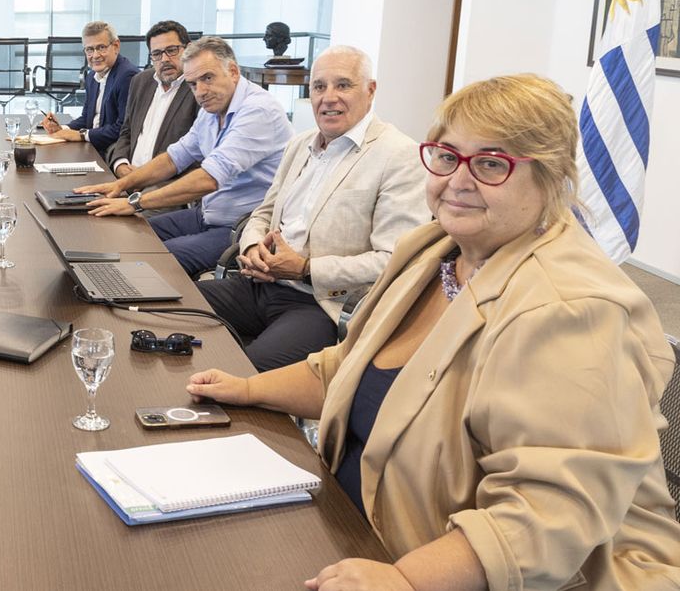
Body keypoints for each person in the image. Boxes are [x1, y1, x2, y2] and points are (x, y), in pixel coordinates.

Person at [187, 74, 680, 591]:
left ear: (551, 177)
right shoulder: (433, 251)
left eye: (491, 164)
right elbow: (348, 369)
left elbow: (545, 513)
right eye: (446, 156)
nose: (458, 180)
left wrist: (405, 580)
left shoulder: (571, 309)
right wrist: (244, 389)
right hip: (357, 531)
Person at [197, 45, 427, 372]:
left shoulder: (399, 156)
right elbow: (263, 213)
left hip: (320, 303)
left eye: (343, 85)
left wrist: (305, 268)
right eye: (319, 87)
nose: (328, 97)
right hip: (259, 285)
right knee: (172, 313)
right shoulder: (300, 144)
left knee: (245, 374)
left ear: (370, 90)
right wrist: (251, 246)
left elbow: (393, 261)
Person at [84, 36, 294, 276]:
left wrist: (135, 202)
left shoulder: (258, 110)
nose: (201, 91)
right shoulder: (212, 107)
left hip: (240, 227)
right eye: (193, 84)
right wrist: (120, 185)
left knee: (152, 259)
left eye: (207, 78)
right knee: (121, 233)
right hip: (206, 213)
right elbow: (175, 157)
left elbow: (209, 178)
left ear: (233, 71)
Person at [105, 21, 200, 204]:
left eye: (172, 50)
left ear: (188, 49)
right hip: (124, 180)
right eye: (157, 54)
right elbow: (127, 132)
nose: (164, 59)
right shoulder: (141, 81)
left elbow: (197, 156)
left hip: (163, 189)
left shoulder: (198, 89)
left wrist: (145, 178)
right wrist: (121, 165)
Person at [42, 21, 139, 152]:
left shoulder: (127, 76)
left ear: (116, 46)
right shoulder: (92, 76)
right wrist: (62, 129)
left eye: (101, 48)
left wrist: (82, 135)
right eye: (89, 49)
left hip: (112, 152)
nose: (95, 55)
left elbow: (122, 129)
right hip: (93, 146)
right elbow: (87, 118)